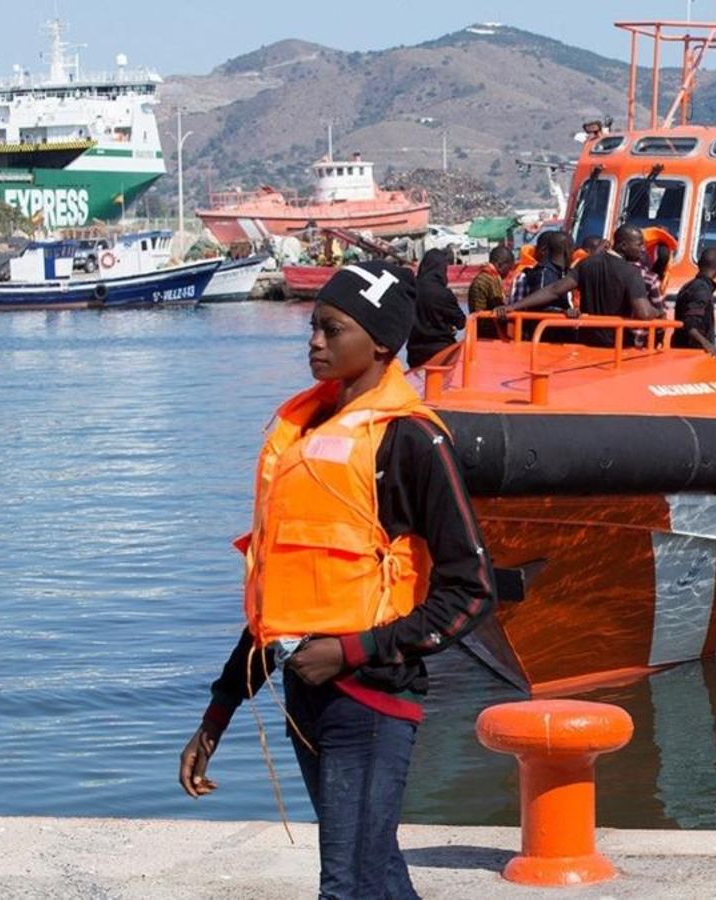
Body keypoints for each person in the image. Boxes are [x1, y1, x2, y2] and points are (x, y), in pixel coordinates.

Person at [178, 263, 495, 899]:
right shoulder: (303, 436)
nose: (314, 342)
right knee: (375, 873)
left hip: (373, 698)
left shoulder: (410, 443)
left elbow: (472, 591)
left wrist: (355, 650)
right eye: (313, 328)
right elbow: (282, 597)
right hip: (305, 693)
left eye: (331, 328)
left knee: (345, 884)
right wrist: (219, 712)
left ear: (380, 342)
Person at [512, 225, 657, 346]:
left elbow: (554, 290)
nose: (643, 249)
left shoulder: (586, 264)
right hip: (616, 345)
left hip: (585, 341)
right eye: (639, 244)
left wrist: (513, 307)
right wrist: (658, 313)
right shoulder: (631, 272)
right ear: (623, 246)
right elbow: (644, 313)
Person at [405, 248, 465, 368]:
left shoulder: (409, 289)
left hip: (415, 352)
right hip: (442, 352)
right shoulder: (443, 293)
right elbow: (461, 322)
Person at [672, 246, 716, 354]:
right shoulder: (701, 290)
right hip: (691, 353)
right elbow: (691, 323)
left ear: (699, 264)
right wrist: (706, 344)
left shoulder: (689, 286)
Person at [468, 244, 515, 313]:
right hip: (485, 321)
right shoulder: (492, 278)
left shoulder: (481, 276)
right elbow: (499, 307)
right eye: (509, 268)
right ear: (500, 265)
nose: (509, 272)